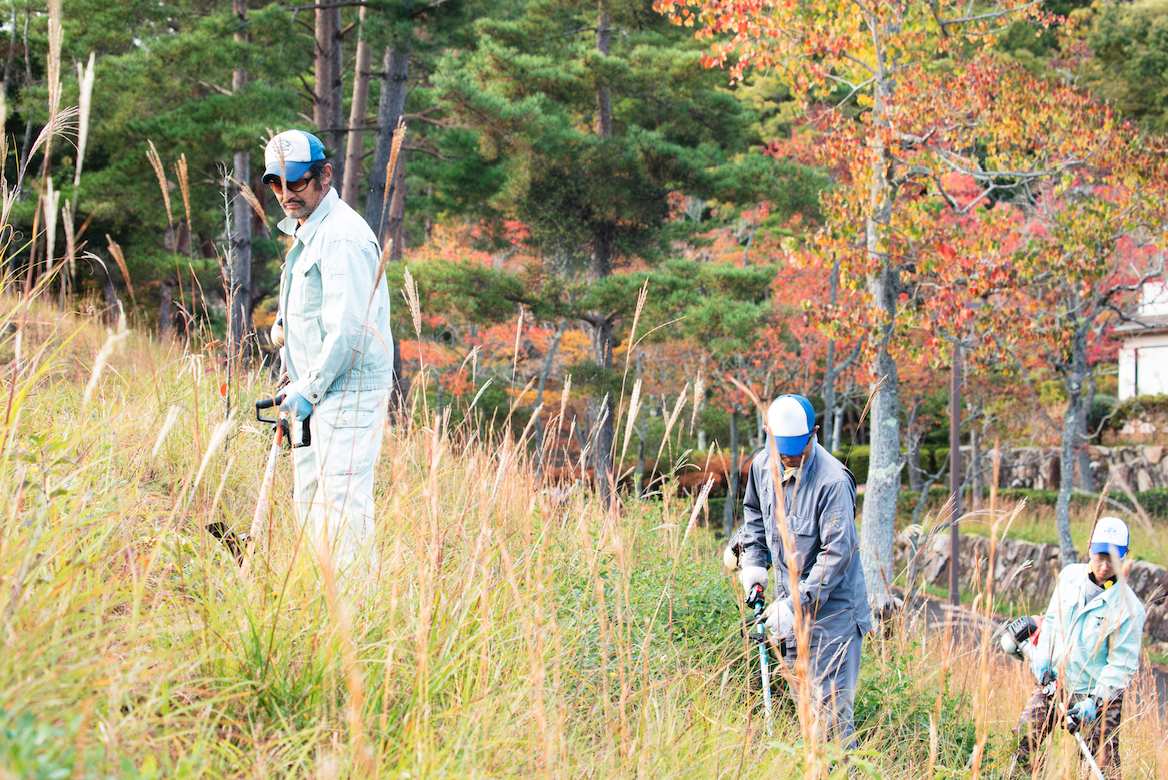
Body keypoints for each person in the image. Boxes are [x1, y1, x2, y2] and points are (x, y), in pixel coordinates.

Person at [262, 129, 395, 578]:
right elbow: (319, 308)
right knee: (311, 504)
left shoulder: (341, 237)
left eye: (297, 181)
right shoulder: (309, 230)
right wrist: (286, 328)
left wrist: (309, 388)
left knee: (342, 510)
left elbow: (348, 331)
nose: (286, 193)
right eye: (276, 183)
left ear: (325, 175)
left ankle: (355, 612)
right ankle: (319, 601)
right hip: (315, 391)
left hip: (346, 392)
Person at [737, 394, 871, 748]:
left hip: (833, 616)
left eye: (797, 449)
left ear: (814, 433)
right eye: (783, 450)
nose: (789, 458)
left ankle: (842, 771)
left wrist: (796, 604)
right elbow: (754, 517)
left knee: (830, 722)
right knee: (806, 715)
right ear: (768, 433)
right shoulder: (761, 466)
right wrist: (754, 561)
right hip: (789, 612)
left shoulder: (833, 482)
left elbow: (836, 554)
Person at [1011, 516, 1145, 780]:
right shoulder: (1069, 576)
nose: (1105, 566)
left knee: (1101, 767)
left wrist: (1095, 701)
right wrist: (1043, 658)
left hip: (1097, 697)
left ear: (1126, 554)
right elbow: (1052, 622)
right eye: (1100, 557)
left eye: (1113, 560)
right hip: (1054, 682)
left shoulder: (1130, 608)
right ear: (1089, 547)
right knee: (1024, 740)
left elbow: (1121, 665)